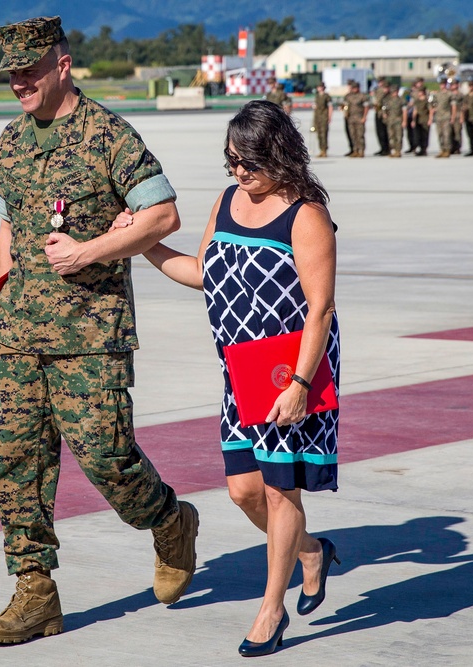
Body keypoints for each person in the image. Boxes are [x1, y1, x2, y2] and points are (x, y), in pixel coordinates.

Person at [0, 15, 199, 645]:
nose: (19, 83)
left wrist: (91, 251)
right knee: (13, 460)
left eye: (29, 70)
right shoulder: (11, 141)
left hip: (89, 332)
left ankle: (168, 519)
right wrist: (4, 297)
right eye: (12, 74)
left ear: (62, 65)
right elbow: (7, 224)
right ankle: (34, 591)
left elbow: (163, 213)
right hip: (21, 332)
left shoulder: (108, 134)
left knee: (107, 458)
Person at [116, 100, 341, 657]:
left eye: (248, 163)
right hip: (239, 370)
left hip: (291, 370)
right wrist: (142, 241)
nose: (238, 173)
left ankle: (271, 609)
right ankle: (310, 552)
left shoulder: (305, 214)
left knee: (278, 487)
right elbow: (202, 274)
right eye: (231, 162)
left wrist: (300, 385)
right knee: (243, 491)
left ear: (278, 154)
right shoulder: (227, 202)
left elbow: (321, 309)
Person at [429, 80, 456, 158]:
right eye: (441, 84)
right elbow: (432, 104)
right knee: (440, 134)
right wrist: (432, 115)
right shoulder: (437, 94)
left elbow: (453, 106)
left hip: (446, 117)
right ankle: (442, 150)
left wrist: (453, 117)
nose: (442, 86)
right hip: (438, 117)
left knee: (446, 134)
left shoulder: (449, 94)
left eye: (444, 84)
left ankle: (447, 150)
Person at [343, 80, 369, 157]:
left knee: (360, 135)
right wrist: (345, 114)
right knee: (353, 135)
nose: (354, 89)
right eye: (353, 88)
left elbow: (366, 107)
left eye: (355, 88)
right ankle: (355, 150)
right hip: (351, 118)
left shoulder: (362, 96)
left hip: (359, 118)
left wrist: (364, 117)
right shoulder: (348, 96)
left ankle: (361, 151)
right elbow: (345, 106)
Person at [382, 84, 407, 157]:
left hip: (398, 120)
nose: (394, 93)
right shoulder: (387, 100)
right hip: (390, 120)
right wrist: (384, 114)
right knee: (391, 136)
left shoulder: (401, 100)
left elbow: (404, 111)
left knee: (398, 136)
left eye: (395, 91)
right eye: (393, 91)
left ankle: (398, 151)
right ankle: (393, 150)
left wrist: (404, 121)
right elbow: (384, 108)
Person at [312, 81, 332, 157]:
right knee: (319, 134)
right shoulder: (317, 96)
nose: (319, 88)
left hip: (324, 117)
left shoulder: (326, 96)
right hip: (317, 117)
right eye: (318, 87)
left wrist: (329, 117)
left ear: (323, 87)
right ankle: (321, 150)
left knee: (324, 134)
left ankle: (324, 150)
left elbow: (330, 107)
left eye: (320, 87)